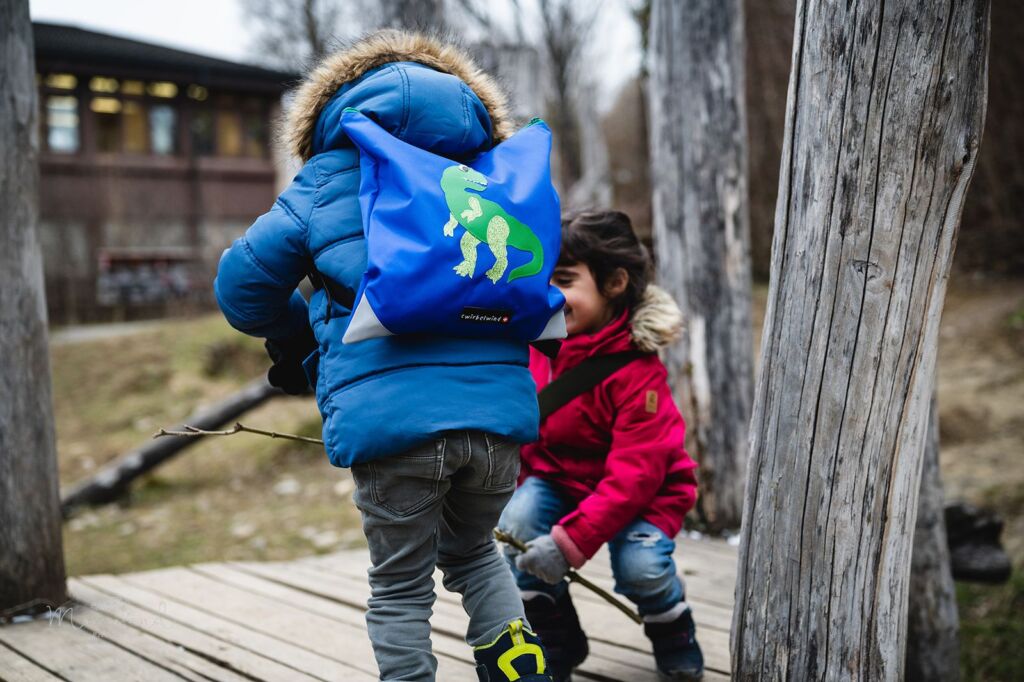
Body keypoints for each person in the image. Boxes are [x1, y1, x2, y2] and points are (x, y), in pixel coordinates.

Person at [213, 29, 551, 682]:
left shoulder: (327, 176)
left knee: (400, 587)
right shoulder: (488, 174)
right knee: (477, 555)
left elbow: (241, 288)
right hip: (497, 420)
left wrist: (296, 335)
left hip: (396, 425)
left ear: (336, 107)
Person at [499, 210, 705, 681]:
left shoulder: (636, 373)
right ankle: (555, 639)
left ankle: (671, 625)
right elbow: (517, 423)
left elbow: (635, 476)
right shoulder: (538, 348)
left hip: (642, 495)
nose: (549, 293)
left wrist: (569, 542)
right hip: (560, 479)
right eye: (542, 279)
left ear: (614, 283)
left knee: (641, 569)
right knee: (519, 526)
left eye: (565, 280)